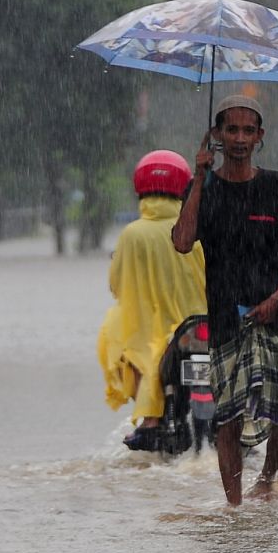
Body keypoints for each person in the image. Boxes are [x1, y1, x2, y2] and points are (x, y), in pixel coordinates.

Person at [172, 94, 278, 506]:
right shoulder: (205, 189)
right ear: (216, 135)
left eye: (247, 130)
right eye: (230, 129)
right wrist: (199, 176)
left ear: (260, 136)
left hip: (277, 318)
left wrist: (277, 295)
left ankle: (266, 478)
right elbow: (182, 242)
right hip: (225, 320)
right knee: (228, 415)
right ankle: (234, 507)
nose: (239, 138)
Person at [98, 150, 207, 451]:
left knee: (116, 337)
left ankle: (151, 420)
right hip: (204, 325)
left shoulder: (133, 234)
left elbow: (116, 286)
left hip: (160, 334)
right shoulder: (198, 226)